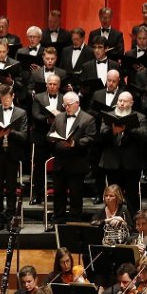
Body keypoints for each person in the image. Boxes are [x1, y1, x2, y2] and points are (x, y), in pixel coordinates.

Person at [0, 84, 28, 229]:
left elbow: (24, 136)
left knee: (10, 189)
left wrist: (10, 132)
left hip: (13, 155)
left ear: (13, 97)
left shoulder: (21, 113)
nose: (5, 101)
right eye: (3, 98)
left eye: (8, 98)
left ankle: (10, 217)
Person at [98, 91, 147, 212]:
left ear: (131, 103)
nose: (121, 103)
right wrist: (113, 131)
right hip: (112, 163)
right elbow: (101, 134)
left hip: (131, 163)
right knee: (113, 196)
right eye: (119, 101)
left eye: (124, 101)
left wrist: (127, 128)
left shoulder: (140, 117)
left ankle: (133, 223)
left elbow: (144, 134)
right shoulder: (108, 115)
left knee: (132, 196)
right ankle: (113, 221)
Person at [50, 91, 96, 223]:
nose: (66, 108)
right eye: (64, 105)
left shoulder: (88, 119)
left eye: (69, 105)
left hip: (77, 163)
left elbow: (91, 138)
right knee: (58, 194)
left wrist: (75, 143)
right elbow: (50, 132)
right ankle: (58, 220)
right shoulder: (59, 118)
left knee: (76, 195)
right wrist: (52, 139)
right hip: (60, 163)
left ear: (77, 103)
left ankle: (74, 222)